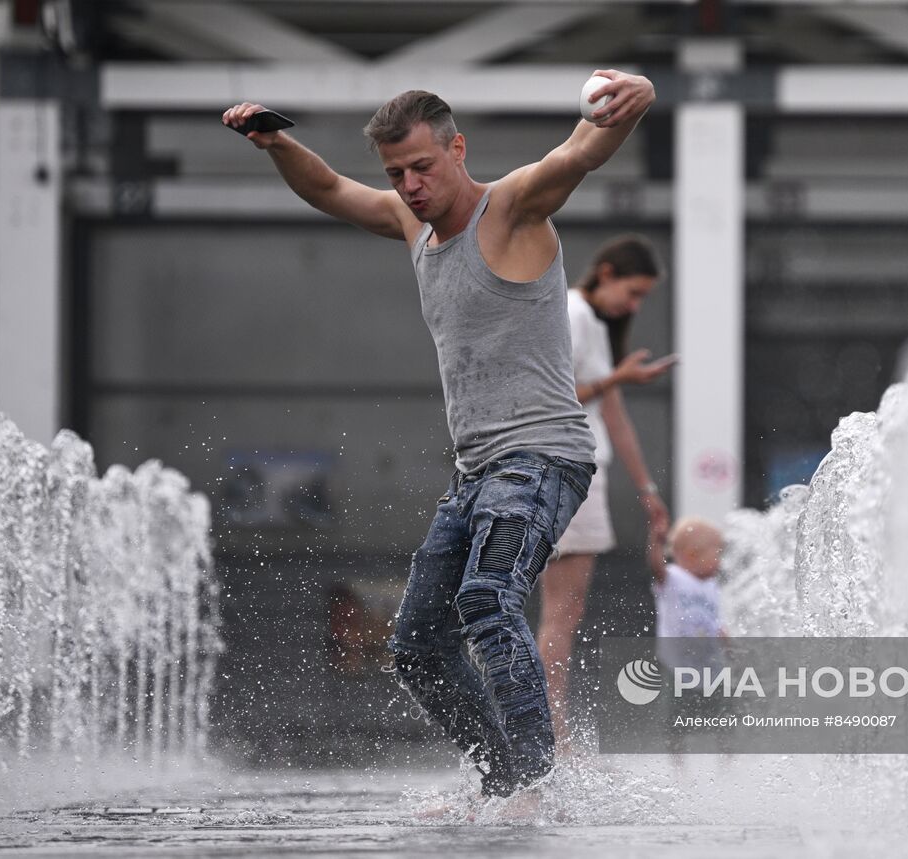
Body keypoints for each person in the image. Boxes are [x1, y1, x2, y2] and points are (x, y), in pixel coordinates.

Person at [222, 68, 655, 799]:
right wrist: (275, 143)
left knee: (488, 597)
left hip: (544, 455)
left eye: (423, 166)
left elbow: (578, 152)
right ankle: (500, 778)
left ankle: (535, 789)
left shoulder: (513, 208)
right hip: (477, 470)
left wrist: (633, 97)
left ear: (458, 148)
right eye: (397, 173)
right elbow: (329, 189)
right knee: (418, 644)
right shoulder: (410, 222)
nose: (412, 184)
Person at [536, 235, 675, 749]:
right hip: (569, 467)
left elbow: (612, 414)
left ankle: (551, 731)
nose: (634, 306)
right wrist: (616, 377)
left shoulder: (591, 322)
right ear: (607, 273)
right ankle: (551, 735)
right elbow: (550, 393)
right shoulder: (573, 314)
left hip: (581, 470)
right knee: (561, 614)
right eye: (633, 293)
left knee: (563, 614)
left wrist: (646, 489)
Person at [645, 516, 730, 758]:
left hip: (710, 665)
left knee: (724, 715)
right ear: (693, 554)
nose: (720, 562)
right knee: (675, 718)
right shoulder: (673, 579)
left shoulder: (712, 585)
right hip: (677, 666)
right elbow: (656, 566)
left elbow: (714, 620)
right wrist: (656, 540)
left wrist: (725, 638)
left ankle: (727, 758)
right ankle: (677, 764)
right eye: (717, 554)